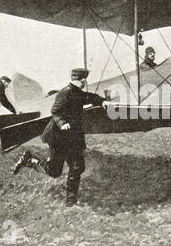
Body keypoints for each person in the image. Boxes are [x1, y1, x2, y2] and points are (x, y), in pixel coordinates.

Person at [12, 68, 109, 206]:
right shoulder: (65, 93)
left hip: (73, 137)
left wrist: (102, 101)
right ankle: (29, 160)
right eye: (84, 80)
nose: (84, 82)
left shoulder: (78, 93)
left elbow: (90, 96)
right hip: (59, 137)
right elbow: (55, 111)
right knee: (54, 171)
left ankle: (70, 203)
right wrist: (62, 122)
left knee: (77, 166)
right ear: (82, 80)